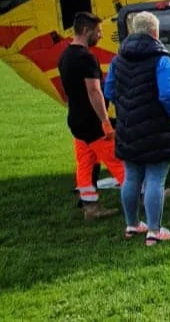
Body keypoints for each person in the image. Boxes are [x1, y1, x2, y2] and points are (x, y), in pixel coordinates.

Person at [104, 11, 170, 246]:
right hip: (157, 126)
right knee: (156, 180)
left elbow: (108, 91)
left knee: (131, 177)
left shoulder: (117, 60)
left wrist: (125, 107)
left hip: (128, 126)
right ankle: (155, 231)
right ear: (155, 32)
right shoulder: (162, 59)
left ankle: (132, 224)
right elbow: (167, 94)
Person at [57, 11, 125, 220]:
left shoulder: (65, 56)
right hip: (92, 123)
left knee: (85, 165)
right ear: (86, 30)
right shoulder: (86, 58)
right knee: (118, 160)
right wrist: (105, 122)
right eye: (98, 31)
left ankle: (90, 207)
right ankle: (142, 194)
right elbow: (94, 91)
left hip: (76, 120)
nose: (101, 36)